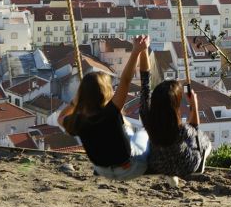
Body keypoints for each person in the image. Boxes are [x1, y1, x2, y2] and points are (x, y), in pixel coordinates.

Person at [60, 35, 149, 180]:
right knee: (144, 133)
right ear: (105, 93)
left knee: (129, 131)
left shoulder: (77, 121)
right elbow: (125, 81)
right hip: (130, 168)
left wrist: (75, 101)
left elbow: (60, 118)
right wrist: (136, 51)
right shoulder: (111, 113)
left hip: (102, 171)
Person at [137, 43, 212, 178]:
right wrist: (194, 105)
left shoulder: (147, 119)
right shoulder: (181, 129)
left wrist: (143, 50)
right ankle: (200, 164)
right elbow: (195, 129)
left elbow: (145, 83)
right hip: (187, 166)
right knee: (204, 140)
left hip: (158, 165)